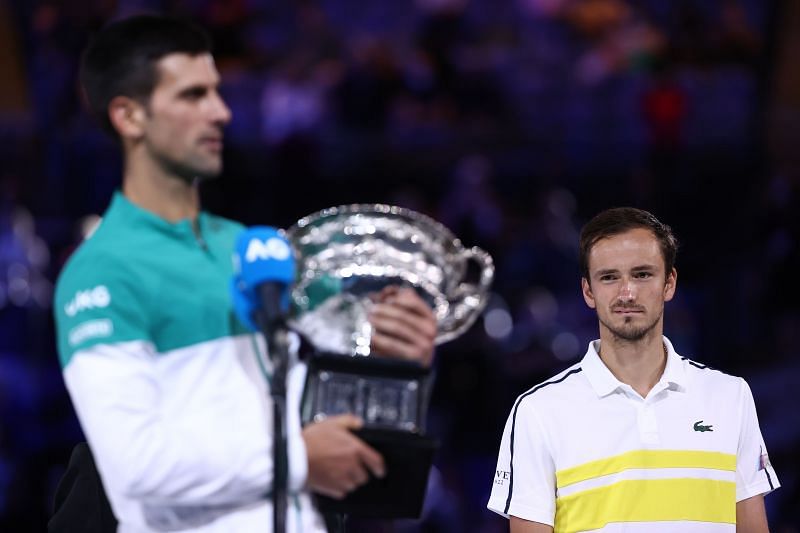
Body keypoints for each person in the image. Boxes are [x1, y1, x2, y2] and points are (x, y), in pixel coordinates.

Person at [52, 14, 437, 532]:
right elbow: (134, 463)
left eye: (216, 92)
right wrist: (298, 458)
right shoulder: (102, 271)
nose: (221, 112)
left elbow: (349, 404)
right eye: (192, 96)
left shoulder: (258, 251)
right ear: (129, 116)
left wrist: (396, 361)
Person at [488, 207, 779, 532]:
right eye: (609, 277)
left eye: (642, 274)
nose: (627, 292)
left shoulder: (730, 396)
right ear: (588, 291)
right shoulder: (538, 411)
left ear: (669, 283)